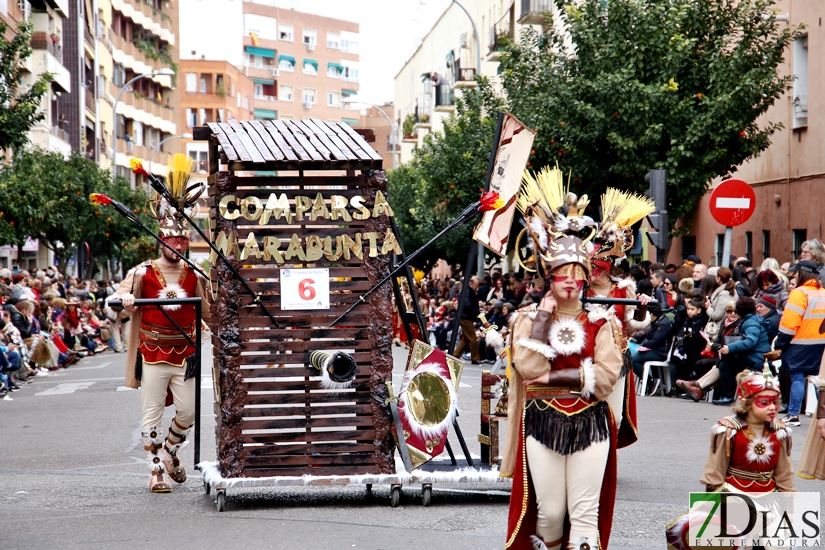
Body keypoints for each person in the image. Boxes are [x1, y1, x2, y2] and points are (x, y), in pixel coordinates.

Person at [503, 173, 622, 550]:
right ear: (548, 278)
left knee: (585, 514)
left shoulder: (602, 321)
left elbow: (606, 377)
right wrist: (542, 320)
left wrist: (562, 377)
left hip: (591, 423)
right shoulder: (527, 318)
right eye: (562, 273)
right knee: (551, 514)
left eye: (577, 274)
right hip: (542, 421)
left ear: (586, 279)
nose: (570, 280)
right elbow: (529, 369)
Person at [109, 156, 211, 493]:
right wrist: (124, 298)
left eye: (182, 242)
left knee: (188, 412)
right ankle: (156, 469)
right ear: (161, 241)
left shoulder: (195, 275)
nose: (177, 246)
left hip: (187, 352)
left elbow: (210, 312)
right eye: (171, 241)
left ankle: (169, 451)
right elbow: (122, 291)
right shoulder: (142, 271)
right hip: (152, 352)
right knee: (151, 413)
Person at [766, 260, 825, 427]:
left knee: (798, 377)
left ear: (802, 273)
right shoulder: (823, 292)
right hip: (821, 344)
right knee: (818, 380)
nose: (793, 275)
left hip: (800, 342)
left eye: (795, 272)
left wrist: (781, 341)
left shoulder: (800, 293)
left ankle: (793, 414)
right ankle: (823, 414)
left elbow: (790, 322)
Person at [715, 297, 771, 405]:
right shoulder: (752, 320)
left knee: (726, 365)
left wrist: (730, 348)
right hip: (754, 355)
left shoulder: (751, 323)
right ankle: (725, 394)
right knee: (725, 362)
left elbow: (750, 342)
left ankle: (728, 396)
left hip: (756, 357)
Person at [452, 275, 481, 364]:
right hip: (466, 317)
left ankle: (455, 355)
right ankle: (475, 358)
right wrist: (477, 311)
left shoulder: (467, 291)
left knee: (466, 339)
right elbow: (467, 304)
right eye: (477, 285)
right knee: (472, 338)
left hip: (465, 316)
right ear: (471, 284)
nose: (477, 287)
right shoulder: (467, 291)